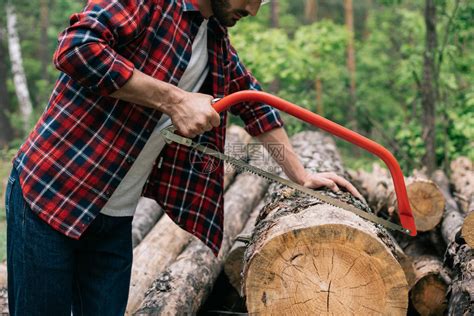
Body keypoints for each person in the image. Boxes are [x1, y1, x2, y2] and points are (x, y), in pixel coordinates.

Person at [4, 0, 363, 314]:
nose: (253, 10)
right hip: (50, 195)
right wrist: (174, 99)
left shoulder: (214, 40)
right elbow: (76, 47)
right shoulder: (151, 4)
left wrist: (301, 177)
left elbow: (255, 104)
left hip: (113, 219)